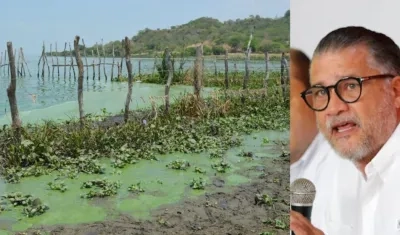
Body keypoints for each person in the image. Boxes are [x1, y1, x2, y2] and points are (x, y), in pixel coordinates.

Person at [290, 26, 400, 235]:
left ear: (395, 91)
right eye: (322, 92)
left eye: (350, 86)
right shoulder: (367, 169)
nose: (333, 108)